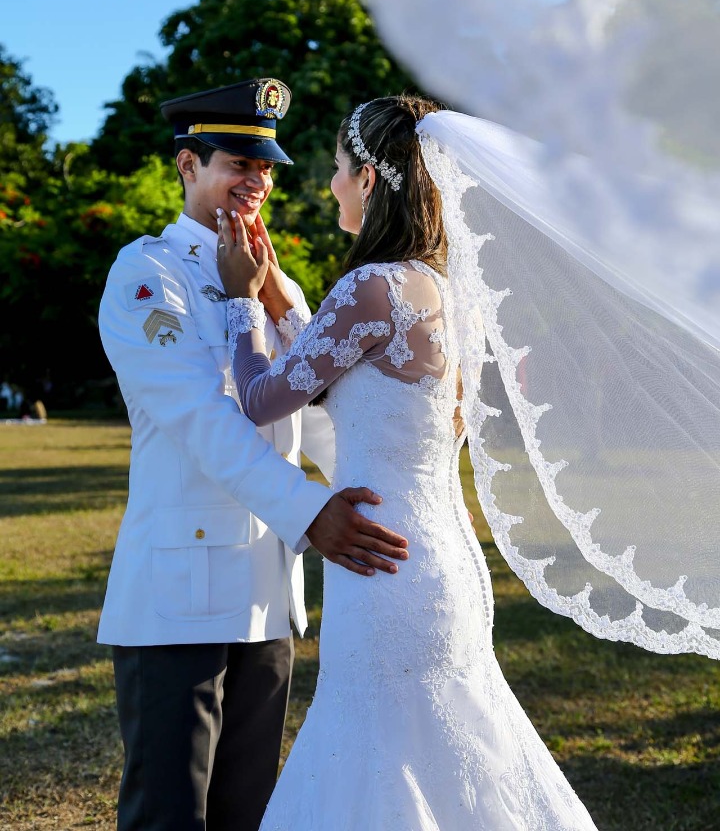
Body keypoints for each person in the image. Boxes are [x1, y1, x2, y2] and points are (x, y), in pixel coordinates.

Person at [215, 93, 599, 829]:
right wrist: (279, 294)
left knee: (380, 761)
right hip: (443, 560)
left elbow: (265, 397)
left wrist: (240, 303)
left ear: (369, 178)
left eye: (334, 167)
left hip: (382, 571)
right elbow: (352, 377)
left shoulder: (371, 286)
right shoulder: (452, 294)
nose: (329, 183)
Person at [96, 78, 409, 831]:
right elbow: (203, 421)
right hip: (179, 600)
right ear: (187, 167)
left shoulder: (278, 282)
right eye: (238, 162)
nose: (257, 182)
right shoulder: (148, 275)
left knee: (249, 815)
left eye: (267, 167)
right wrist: (313, 512)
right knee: (169, 815)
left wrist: (278, 303)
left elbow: (332, 406)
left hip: (269, 598)